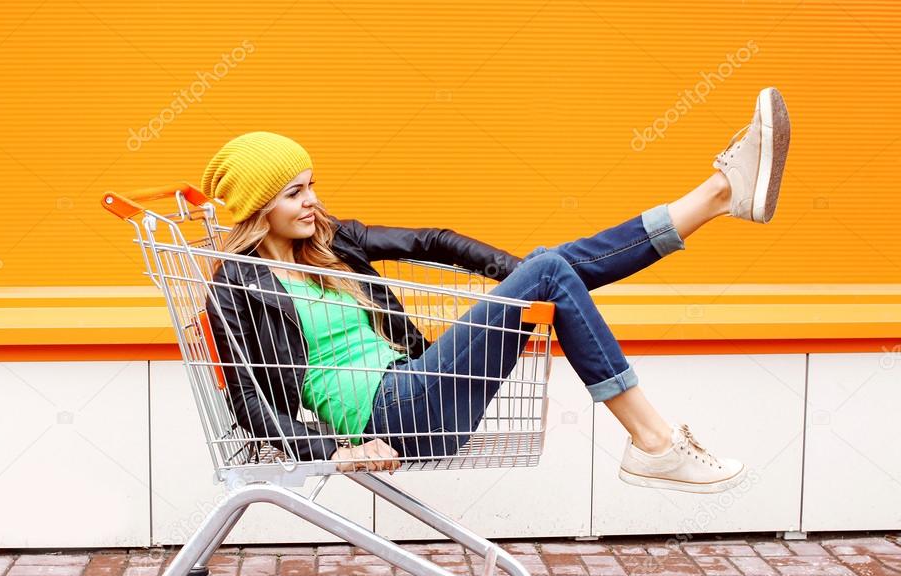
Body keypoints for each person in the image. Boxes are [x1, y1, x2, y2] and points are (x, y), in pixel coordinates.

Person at [202, 87, 791, 494]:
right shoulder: (237, 286)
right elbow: (251, 406)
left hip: (427, 392)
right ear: (256, 207)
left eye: (310, 185)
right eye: (291, 193)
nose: (311, 201)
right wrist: (331, 452)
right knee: (552, 270)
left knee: (551, 270)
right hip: (385, 415)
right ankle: (655, 437)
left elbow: (433, 240)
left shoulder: (335, 242)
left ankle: (718, 197)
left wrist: (529, 274)